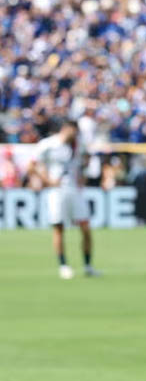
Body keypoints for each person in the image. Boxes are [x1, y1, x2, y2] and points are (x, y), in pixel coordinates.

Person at [32, 120, 99, 279]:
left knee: (86, 228)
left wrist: (82, 175)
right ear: (65, 129)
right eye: (73, 131)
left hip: (75, 190)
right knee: (59, 228)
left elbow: (86, 159)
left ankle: (88, 266)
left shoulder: (78, 145)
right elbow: (32, 165)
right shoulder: (48, 144)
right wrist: (47, 180)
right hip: (56, 191)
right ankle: (63, 265)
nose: (75, 135)